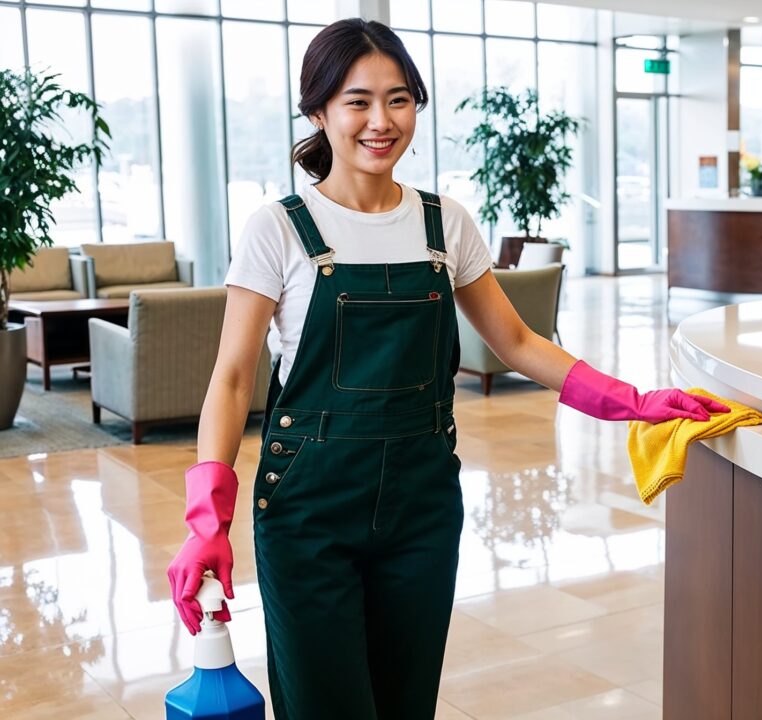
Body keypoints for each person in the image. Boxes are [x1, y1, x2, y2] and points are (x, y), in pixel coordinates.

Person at [165, 18, 728, 720]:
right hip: (307, 510)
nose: (381, 121)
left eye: (398, 100)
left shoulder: (444, 224)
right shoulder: (277, 227)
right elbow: (233, 380)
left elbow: (518, 341)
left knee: (405, 704)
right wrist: (205, 522)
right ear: (319, 111)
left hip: (421, 505)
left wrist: (632, 401)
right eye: (357, 101)